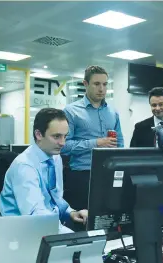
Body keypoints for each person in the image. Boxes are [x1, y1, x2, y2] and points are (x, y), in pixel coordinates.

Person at [0, 108, 87, 234]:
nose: (62, 143)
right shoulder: (24, 166)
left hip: (46, 227)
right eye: (56, 136)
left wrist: (71, 212)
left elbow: (55, 199)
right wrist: (73, 238)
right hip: (18, 234)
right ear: (38, 134)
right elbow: (37, 216)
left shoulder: (55, 157)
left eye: (65, 136)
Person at [62, 66, 124, 211]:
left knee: (108, 218)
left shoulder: (113, 112)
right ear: (85, 84)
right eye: (96, 84)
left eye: (105, 84)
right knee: (82, 222)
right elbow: (64, 147)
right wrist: (96, 143)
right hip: (81, 176)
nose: (101, 89)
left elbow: (120, 142)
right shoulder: (71, 111)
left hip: (108, 174)